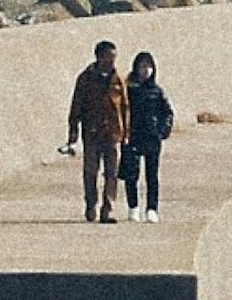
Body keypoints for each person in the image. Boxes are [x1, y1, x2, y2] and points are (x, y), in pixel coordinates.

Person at [63, 38, 128, 224]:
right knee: (91, 171)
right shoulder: (85, 79)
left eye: (114, 58)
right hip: (92, 132)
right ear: (99, 58)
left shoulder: (118, 79)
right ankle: (91, 204)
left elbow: (125, 106)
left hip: (113, 133)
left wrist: (126, 132)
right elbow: (76, 106)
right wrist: (73, 133)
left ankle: (108, 209)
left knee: (111, 173)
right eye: (108, 58)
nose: (111, 62)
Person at [120, 50, 173, 221]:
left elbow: (168, 112)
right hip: (132, 136)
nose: (146, 70)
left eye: (149, 66)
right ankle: (133, 207)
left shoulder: (156, 91)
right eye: (142, 66)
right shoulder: (128, 89)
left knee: (152, 175)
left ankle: (152, 209)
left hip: (152, 137)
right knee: (131, 174)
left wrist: (162, 130)